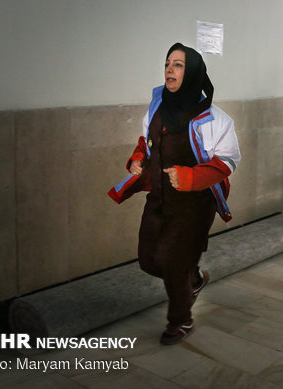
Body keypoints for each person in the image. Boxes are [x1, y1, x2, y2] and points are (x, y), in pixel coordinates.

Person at [109, 43, 241, 345]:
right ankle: (192, 280)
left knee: (172, 261)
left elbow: (228, 161)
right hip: (158, 196)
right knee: (148, 259)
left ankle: (181, 320)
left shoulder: (216, 119)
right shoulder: (157, 105)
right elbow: (147, 139)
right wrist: (138, 157)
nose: (170, 69)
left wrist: (190, 176)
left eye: (178, 64)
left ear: (193, 72)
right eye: (168, 63)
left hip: (194, 204)